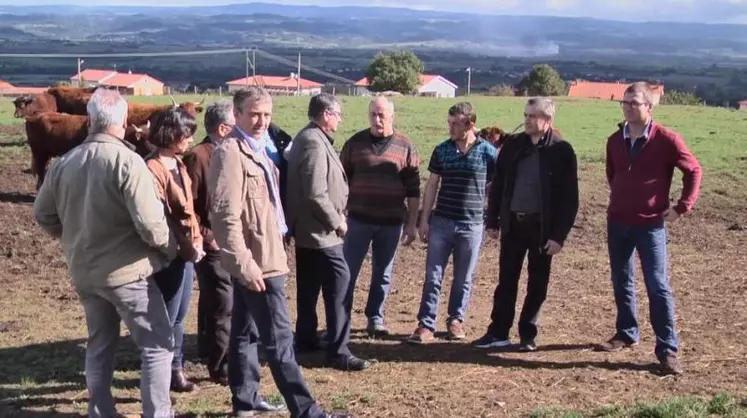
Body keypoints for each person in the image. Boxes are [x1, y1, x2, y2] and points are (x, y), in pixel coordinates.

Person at [207, 86, 352, 418]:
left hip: (270, 253)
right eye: (253, 114)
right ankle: (306, 411)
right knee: (280, 340)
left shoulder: (260, 148)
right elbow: (225, 215)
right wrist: (244, 263)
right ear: (237, 114)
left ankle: (245, 402)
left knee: (244, 334)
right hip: (257, 263)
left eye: (266, 115)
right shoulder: (230, 153)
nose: (260, 121)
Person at [32, 88, 177, 418]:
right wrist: (168, 250)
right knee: (157, 346)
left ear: (91, 121)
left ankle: (100, 411)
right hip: (128, 273)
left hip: (85, 270)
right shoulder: (129, 162)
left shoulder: (65, 163)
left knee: (100, 343)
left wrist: (72, 236)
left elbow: (42, 214)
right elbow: (151, 224)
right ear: (125, 121)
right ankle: (158, 413)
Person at [595, 82, 702, 376]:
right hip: (618, 222)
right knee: (621, 279)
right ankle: (627, 332)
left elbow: (693, 170)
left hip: (651, 225)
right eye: (625, 103)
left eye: (634, 103)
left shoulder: (667, 139)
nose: (628, 108)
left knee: (658, 285)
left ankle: (667, 349)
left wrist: (682, 207)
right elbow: (612, 175)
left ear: (649, 107)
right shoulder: (615, 140)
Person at [473, 97, 579, 352]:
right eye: (526, 115)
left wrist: (559, 235)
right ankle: (498, 332)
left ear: (548, 120)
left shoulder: (562, 151)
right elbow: (498, 184)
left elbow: (570, 198)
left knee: (537, 283)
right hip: (513, 224)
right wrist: (493, 220)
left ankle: (527, 334)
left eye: (533, 116)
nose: (527, 121)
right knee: (506, 280)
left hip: (542, 229)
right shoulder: (513, 146)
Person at [285, 93, 368, 371]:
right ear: (327, 115)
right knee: (340, 285)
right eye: (338, 114)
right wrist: (337, 221)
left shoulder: (313, 139)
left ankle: (307, 338)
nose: (341, 120)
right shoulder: (312, 142)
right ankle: (339, 350)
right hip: (320, 232)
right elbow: (314, 191)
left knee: (309, 285)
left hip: (312, 231)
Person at [407, 102, 498, 344]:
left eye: (455, 123)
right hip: (442, 222)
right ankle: (426, 324)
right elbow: (432, 185)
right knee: (433, 275)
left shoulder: (488, 152)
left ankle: (456, 320)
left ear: (470, 124)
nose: (451, 128)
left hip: (472, 224)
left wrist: (492, 216)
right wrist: (423, 219)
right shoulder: (442, 150)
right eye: (449, 123)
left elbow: (497, 185)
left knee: (463, 276)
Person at [339, 96, 420, 336]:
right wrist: (340, 215)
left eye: (382, 114)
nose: (377, 119)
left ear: (392, 116)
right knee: (348, 271)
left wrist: (412, 224)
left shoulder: (405, 146)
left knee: (383, 273)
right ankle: (341, 317)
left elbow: (414, 189)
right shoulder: (355, 144)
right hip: (358, 220)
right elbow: (341, 182)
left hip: (391, 222)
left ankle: (375, 317)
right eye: (373, 114)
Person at [145, 107, 204, 393]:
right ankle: (168, 369)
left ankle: (175, 367)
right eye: (187, 134)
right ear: (172, 134)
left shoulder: (177, 164)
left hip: (187, 249)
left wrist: (197, 239)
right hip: (171, 252)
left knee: (180, 315)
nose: (191, 140)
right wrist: (186, 245)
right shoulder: (153, 167)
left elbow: (188, 210)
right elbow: (162, 215)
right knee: (168, 316)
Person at [183, 100, 236, 386]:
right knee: (223, 303)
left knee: (216, 299)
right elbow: (187, 205)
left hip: (232, 241)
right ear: (223, 128)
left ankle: (208, 350)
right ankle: (221, 365)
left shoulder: (230, 153)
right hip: (213, 243)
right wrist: (206, 236)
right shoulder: (198, 156)